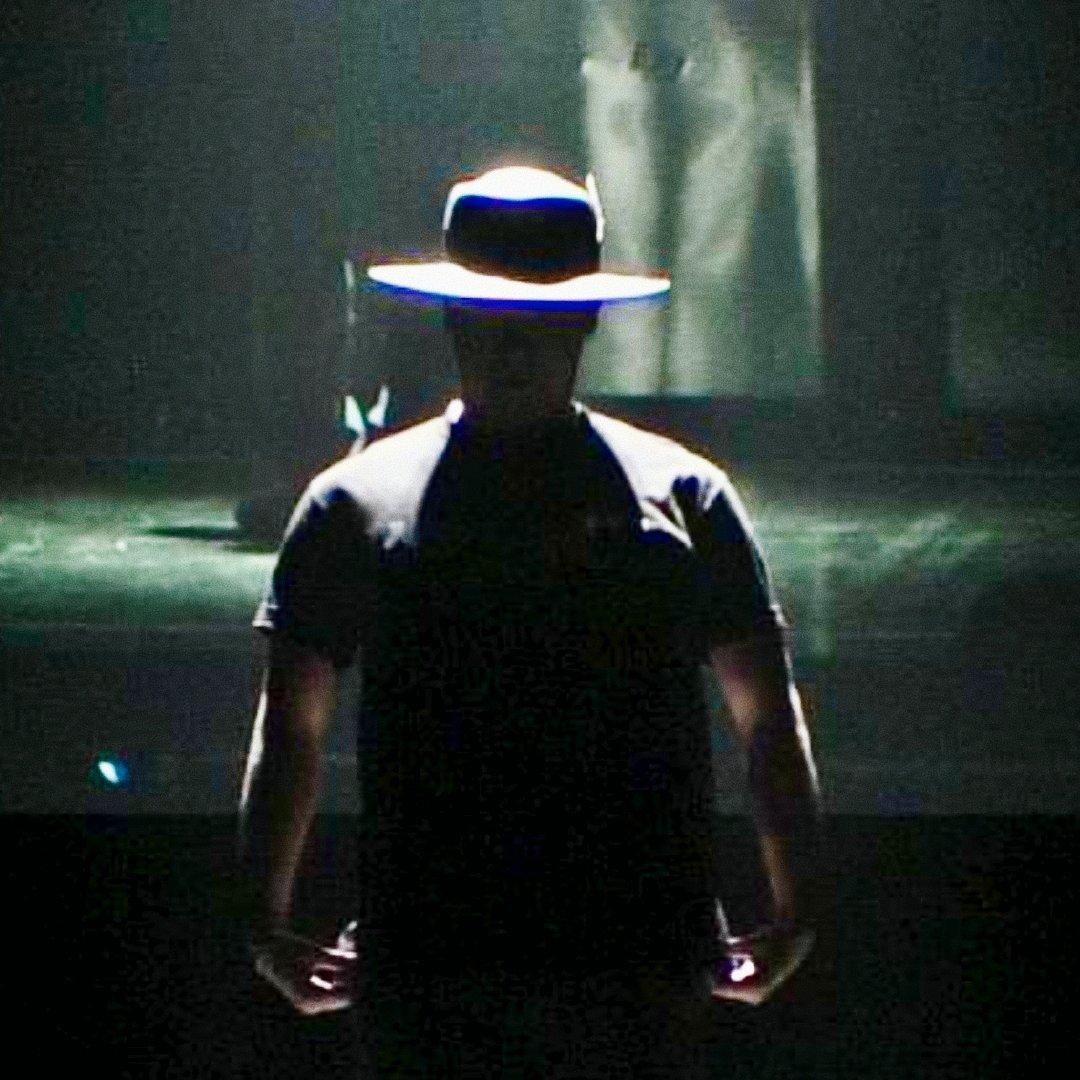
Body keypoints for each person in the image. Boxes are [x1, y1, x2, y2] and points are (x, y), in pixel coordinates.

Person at [237, 165, 823, 1077]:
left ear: (583, 320)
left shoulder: (685, 495)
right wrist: (260, 921)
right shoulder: (351, 504)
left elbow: (769, 723)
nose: (513, 340)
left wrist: (799, 910)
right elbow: (290, 734)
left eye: (535, 317)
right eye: (494, 314)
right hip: (446, 965)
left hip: (623, 962)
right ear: (452, 316)